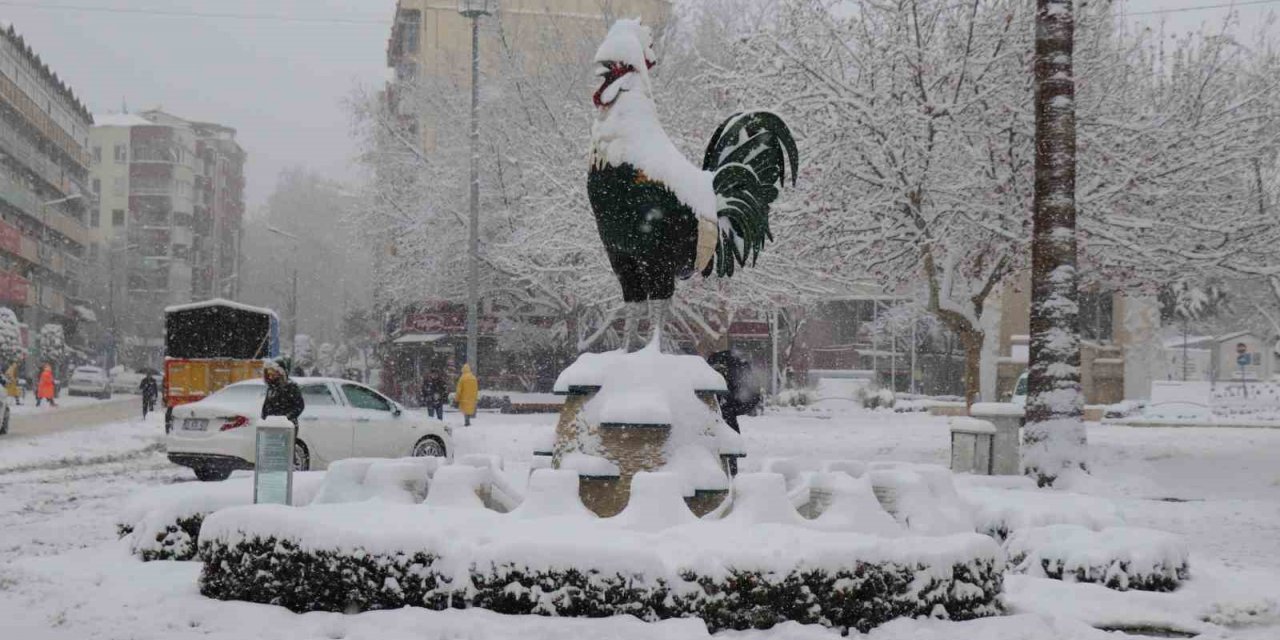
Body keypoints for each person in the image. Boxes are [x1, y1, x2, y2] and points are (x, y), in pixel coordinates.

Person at [707, 351, 761, 433]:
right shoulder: (732, 362)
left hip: (740, 396)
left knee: (725, 413)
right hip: (746, 396)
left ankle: (731, 439)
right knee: (726, 413)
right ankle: (732, 439)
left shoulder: (720, 364)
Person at [261, 359, 304, 427]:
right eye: (268, 374)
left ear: (280, 373)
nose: (270, 376)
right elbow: (266, 407)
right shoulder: (271, 388)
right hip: (271, 425)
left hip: (287, 425)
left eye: (273, 373)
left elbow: (299, 406)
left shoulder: (291, 386)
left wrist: (286, 418)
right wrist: (264, 420)